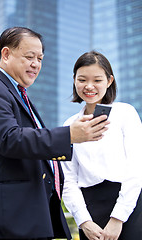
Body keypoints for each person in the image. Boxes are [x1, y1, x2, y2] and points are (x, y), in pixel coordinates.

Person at [0, 28, 109, 240]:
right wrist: (68, 135)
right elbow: (9, 139)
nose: (36, 64)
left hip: (31, 212)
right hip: (9, 217)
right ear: (6, 54)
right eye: (29, 57)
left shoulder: (20, 95)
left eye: (40, 58)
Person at [62, 51, 142, 240]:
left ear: (109, 80)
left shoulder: (125, 113)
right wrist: (84, 221)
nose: (89, 86)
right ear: (74, 80)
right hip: (89, 211)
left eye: (97, 80)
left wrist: (118, 218)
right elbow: (68, 180)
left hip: (129, 206)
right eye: (82, 79)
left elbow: (136, 168)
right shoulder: (69, 125)